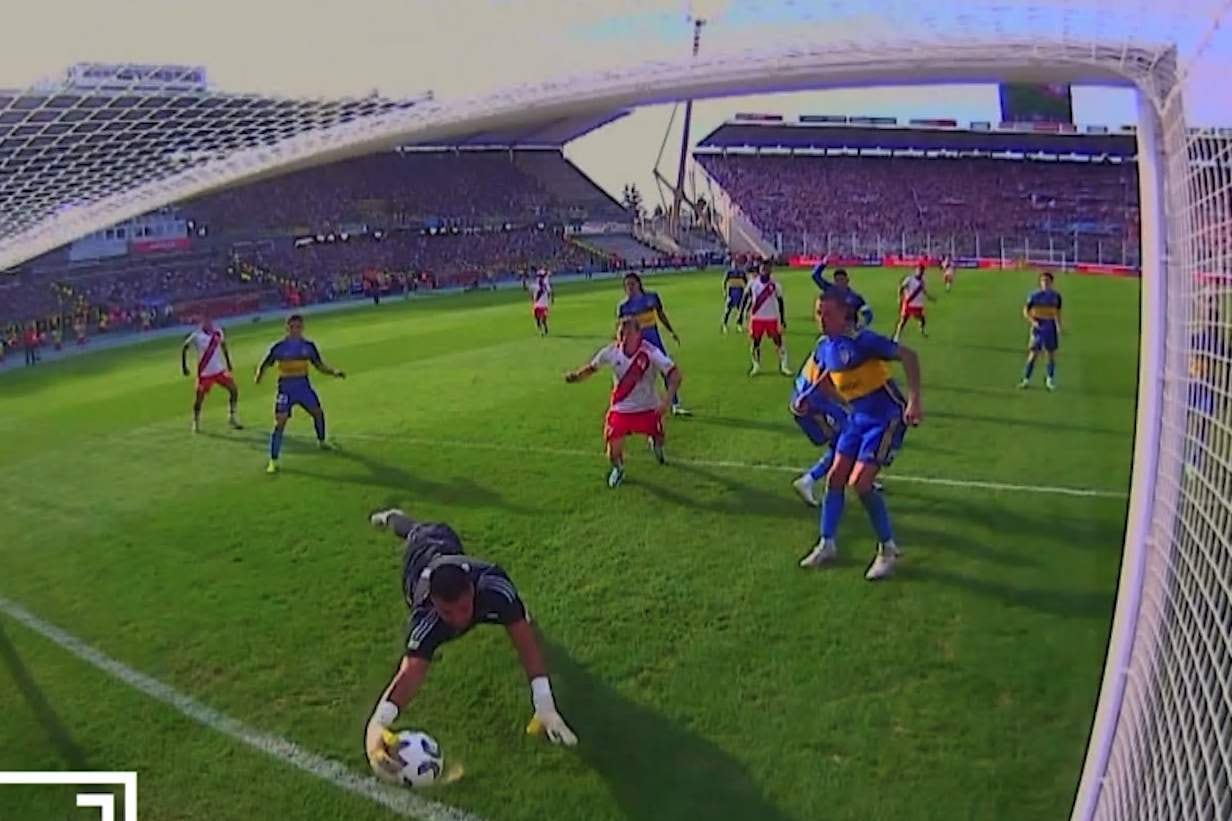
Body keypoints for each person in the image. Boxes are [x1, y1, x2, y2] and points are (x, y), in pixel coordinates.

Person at [364, 508, 577, 782]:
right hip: (418, 559)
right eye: (448, 613)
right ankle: (392, 517)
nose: (458, 620)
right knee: (414, 532)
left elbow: (524, 641)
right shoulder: (426, 616)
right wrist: (378, 722)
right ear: (435, 603)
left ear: (473, 591)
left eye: (464, 608)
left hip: (446, 543)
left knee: (517, 617)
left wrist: (544, 703)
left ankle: (512, 608)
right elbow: (411, 672)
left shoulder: (493, 586)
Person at [798, 293, 922, 581]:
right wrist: (811, 398)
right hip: (858, 419)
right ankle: (827, 543)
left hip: (886, 418)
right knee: (836, 477)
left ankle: (887, 550)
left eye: (827, 314)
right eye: (818, 313)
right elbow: (828, 379)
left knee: (860, 482)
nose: (821, 319)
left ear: (844, 316)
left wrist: (915, 401)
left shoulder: (864, 341)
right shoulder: (825, 347)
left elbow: (909, 356)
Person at [565, 316, 682, 488]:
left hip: (648, 407)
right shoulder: (611, 351)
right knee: (612, 449)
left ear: (638, 334)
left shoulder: (650, 352)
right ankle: (618, 469)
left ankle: (655, 442)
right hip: (621, 408)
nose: (623, 338)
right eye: (621, 333)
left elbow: (675, 375)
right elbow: (592, 367)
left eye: (628, 333)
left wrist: (667, 400)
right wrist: (576, 376)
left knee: (659, 439)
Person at [254, 314, 346, 474]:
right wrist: (259, 376)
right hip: (285, 389)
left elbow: (319, 365)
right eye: (292, 327)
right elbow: (265, 363)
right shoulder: (279, 348)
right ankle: (273, 460)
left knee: (317, 412)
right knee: (279, 423)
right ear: (287, 328)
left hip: (303, 387)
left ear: (302, 328)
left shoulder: (308, 346)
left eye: (298, 327)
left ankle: (322, 441)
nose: (295, 330)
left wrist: (334, 372)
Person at [617, 272, 690, 416]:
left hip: (655, 344)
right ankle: (631, 408)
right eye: (627, 285)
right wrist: (620, 346)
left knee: (667, 372)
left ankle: (675, 404)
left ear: (639, 284)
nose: (630, 287)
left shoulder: (651, 298)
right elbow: (621, 329)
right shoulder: (623, 307)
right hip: (637, 347)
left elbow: (661, 315)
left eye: (632, 284)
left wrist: (671, 331)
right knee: (634, 377)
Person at [788, 344, 849, 507]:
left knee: (847, 437)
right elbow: (823, 382)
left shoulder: (828, 341)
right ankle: (808, 480)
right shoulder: (837, 346)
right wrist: (848, 402)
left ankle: (858, 472)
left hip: (806, 397)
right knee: (848, 438)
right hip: (813, 404)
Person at [182, 317, 242, 433]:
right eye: (205, 322)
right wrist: (184, 366)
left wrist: (228, 363)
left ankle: (232, 416)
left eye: (209, 322)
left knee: (233, 389)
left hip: (218, 371)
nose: (208, 324)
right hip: (204, 373)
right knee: (199, 398)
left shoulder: (217, 333)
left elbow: (224, 346)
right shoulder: (196, 336)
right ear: (201, 324)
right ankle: (196, 421)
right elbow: (185, 348)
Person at [742, 261, 792, 376]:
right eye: (763, 268)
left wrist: (783, 319)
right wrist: (742, 314)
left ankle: (784, 366)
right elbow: (746, 299)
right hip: (757, 318)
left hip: (771, 318)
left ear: (771, 270)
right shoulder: (753, 283)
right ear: (759, 270)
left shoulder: (775, 285)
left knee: (778, 341)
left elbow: (780, 302)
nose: (765, 270)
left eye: (767, 268)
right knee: (756, 342)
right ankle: (756, 365)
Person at [1018, 271, 1063, 391]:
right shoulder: (1033, 295)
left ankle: (1049, 380)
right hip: (1038, 327)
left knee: (1050, 354)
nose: (1045, 283)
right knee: (1033, 354)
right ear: (1039, 282)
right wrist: (1033, 322)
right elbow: (1025, 311)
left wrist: (1058, 326)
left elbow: (1057, 312)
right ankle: (1026, 380)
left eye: (1047, 281)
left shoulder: (1056, 296)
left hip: (1050, 326)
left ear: (1051, 283)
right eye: (1043, 281)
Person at [812, 261, 874, 329]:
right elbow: (815, 275)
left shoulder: (855, 297)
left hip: (848, 332)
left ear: (847, 280)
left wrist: (862, 325)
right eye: (837, 280)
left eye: (842, 279)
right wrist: (823, 264)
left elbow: (868, 314)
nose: (839, 282)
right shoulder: (829, 289)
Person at [892, 263, 931, 342]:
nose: (920, 272)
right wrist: (899, 297)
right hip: (909, 304)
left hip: (918, 305)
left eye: (922, 270)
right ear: (916, 270)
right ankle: (896, 336)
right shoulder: (909, 279)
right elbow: (901, 287)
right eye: (919, 270)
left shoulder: (922, 281)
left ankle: (922, 331)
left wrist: (929, 297)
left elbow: (923, 291)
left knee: (922, 319)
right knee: (903, 320)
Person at [721, 255, 749, 333]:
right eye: (734, 264)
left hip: (740, 292)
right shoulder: (729, 272)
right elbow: (724, 282)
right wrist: (725, 292)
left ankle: (739, 324)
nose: (735, 265)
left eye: (736, 264)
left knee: (740, 310)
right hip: (731, 293)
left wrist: (747, 292)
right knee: (728, 310)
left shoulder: (742, 273)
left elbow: (747, 283)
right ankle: (725, 325)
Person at [531, 268, 554, 337]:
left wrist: (551, 298)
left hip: (542, 305)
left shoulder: (545, 285)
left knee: (542, 319)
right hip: (539, 305)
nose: (539, 278)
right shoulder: (537, 285)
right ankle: (541, 331)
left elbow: (550, 292)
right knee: (538, 319)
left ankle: (543, 328)